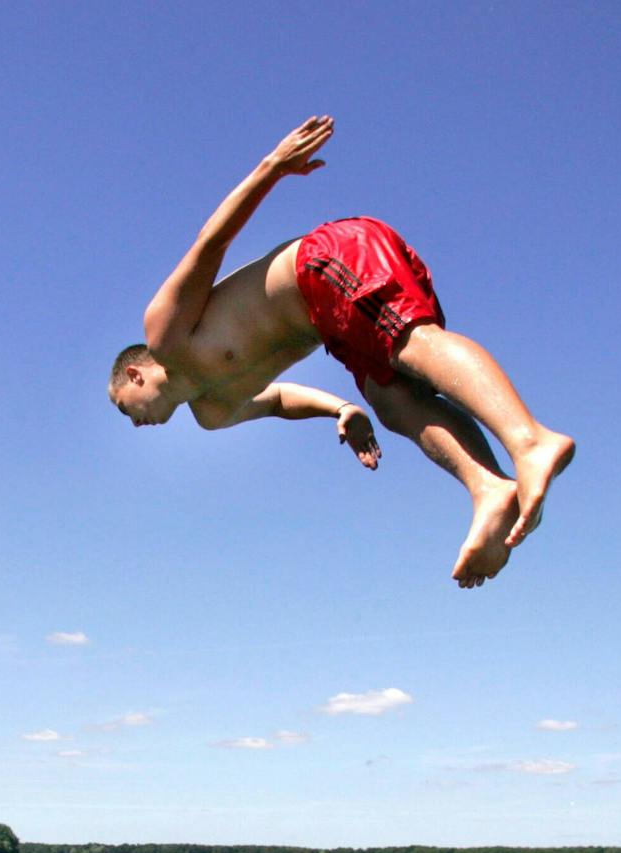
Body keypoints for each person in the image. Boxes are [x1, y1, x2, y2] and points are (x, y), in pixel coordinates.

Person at [108, 116, 575, 588]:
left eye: (124, 408)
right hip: (330, 329)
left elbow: (211, 244)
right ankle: (489, 488)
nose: (134, 423)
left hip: (322, 264)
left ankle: (529, 440)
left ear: (134, 375)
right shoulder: (214, 411)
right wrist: (341, 408)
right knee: (391, 401)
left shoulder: (165, 335)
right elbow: (279, 400)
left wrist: (272, 168)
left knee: (409, 343)